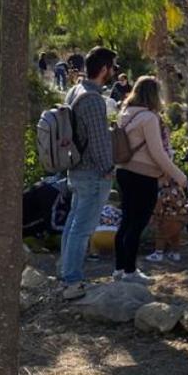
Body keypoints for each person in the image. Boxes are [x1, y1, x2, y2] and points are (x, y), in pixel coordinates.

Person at [114, 76, 188, 283]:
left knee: (126, 222)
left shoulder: (125, 113)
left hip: (123, 172)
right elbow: (158, 153)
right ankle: (130, 271)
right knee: (137, 225)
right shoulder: (149, 118)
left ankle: (120, 269)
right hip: (143, 176)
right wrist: (179, 176)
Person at [59, 46, 120, 299]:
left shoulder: (75, 91)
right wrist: (109, 170)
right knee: (82, 229)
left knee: (73, 224)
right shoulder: (94, 101)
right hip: (93, 174)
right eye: (113, 67)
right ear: (105, 69)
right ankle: (72, 281)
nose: (115, 72)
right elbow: (98, 142)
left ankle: (65, 274)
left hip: (75, 170)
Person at [149, 172, 188, 263]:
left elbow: (159, 207)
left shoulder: (163, 192)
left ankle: (158, 253)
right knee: (175, 236)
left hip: (167, 218)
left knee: (160, 235)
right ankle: (176, 253)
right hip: (180, 218)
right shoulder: (179, 189)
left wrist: (154, 216)